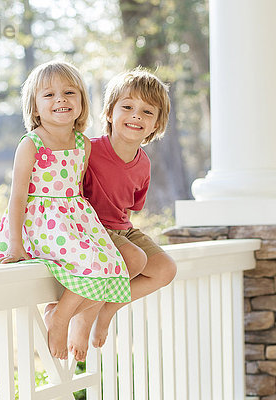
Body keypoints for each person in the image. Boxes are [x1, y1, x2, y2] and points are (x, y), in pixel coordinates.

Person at [0, 60, 131, 360]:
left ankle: (61, 313)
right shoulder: (31, 144)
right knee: (95, 262)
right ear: (35, 107)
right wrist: (15, 243)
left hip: (75, 218)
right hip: (41, 222)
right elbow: (17, 199)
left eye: (69, 93)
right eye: (49, 95)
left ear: (81, 101)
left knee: (115, 264)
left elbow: (77, 190)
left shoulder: (82, 143)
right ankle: (60, 319)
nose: (61, 100)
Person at [68, 67, 177, 360]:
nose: (136, 116)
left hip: (120, 227)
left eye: (147, 112)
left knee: (165, 269)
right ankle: (84, 316)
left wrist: (121, 234)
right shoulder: (87, 150)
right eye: (127, 107)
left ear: (156, 124)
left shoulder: (144, 164)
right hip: (91, 229)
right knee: (134, 259)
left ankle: (109, 306)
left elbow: (128, 208)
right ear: (109, 113)